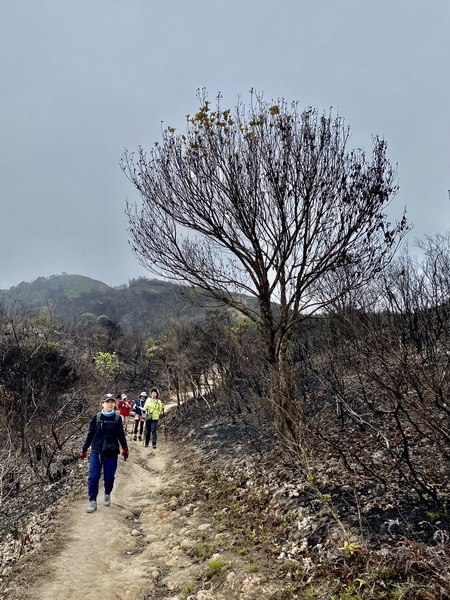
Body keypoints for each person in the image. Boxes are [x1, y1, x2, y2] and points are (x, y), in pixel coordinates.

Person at [80, 393, 129, 513]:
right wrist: (84, 449)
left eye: (112, 402)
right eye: (107, 402)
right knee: (93, 476)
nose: (110, 404)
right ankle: (93, 500)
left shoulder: (117, 419)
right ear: (102, 404)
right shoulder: (96, 417)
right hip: (96, 450)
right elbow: (90, 434)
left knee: (109, 477)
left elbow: (121, 435)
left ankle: (107, 493)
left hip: (111, 451)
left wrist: (125, 448)